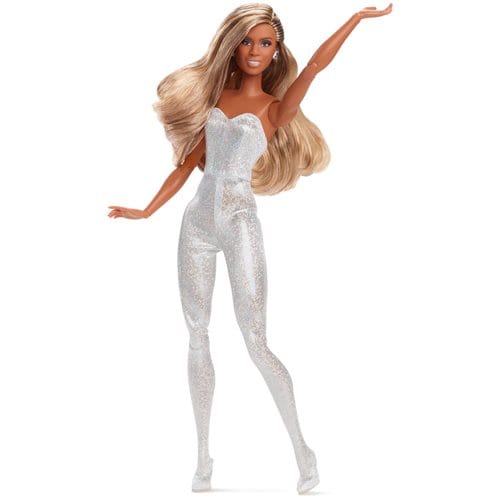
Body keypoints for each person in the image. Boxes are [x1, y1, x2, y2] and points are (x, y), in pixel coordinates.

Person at [108, 3, 392, 494]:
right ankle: (203, 459)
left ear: (276, 50)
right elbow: (187, 164)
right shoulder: (216, 97)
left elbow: (316, 66)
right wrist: (147, 210)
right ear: (233, 45)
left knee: (256, 341)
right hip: (197, 222)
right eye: (247, 41)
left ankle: (303, 452)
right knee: (197, 335)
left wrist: (355, 19)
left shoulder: (275, 109)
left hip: (240, 222)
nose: (255, 51)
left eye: (265, 43)